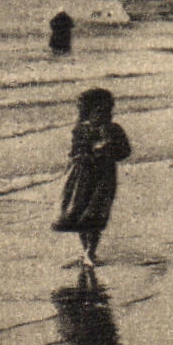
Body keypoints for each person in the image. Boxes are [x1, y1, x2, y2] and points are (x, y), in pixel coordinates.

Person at [53, 88, 132, 267]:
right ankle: (86, 250)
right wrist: (92, 152)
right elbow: (75, 152)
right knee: (81, 212)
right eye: (100, 111)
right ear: (88, 112)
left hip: (104, 177)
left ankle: (91, 251)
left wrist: (109, 149)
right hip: (83, 176)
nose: (106, 115)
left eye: (108, 111)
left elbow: (125, 151)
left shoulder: (114, 129)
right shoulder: (81, 130)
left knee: (96, 212)